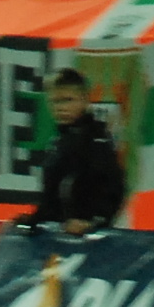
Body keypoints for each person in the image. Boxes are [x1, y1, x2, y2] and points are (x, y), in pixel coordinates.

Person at [30, 67, 125, 235]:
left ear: (85, 100)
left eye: (68, 100)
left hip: (89, 238)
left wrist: (92, 222)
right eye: (55, 101)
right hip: (59, 235)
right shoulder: (57, 142)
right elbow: (51, 195)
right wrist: (36, 219)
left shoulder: (96, 140)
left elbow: (114, 188)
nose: (60, 107)